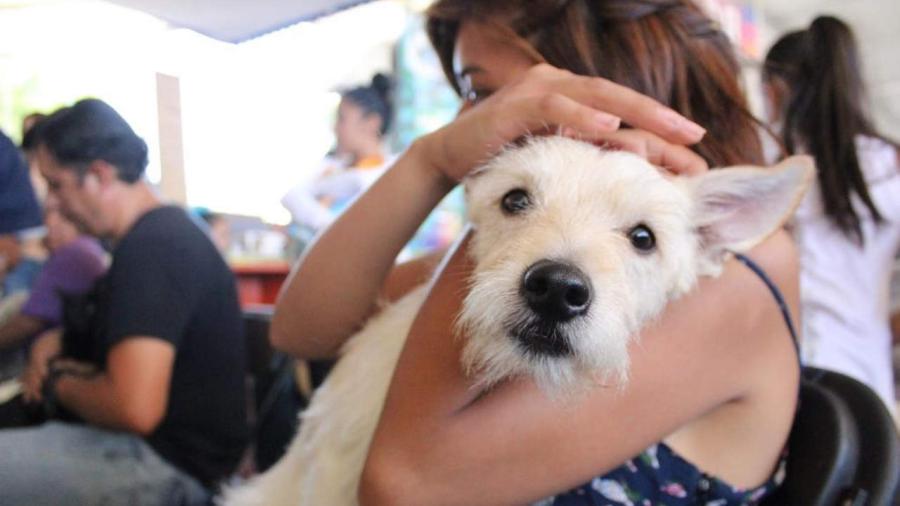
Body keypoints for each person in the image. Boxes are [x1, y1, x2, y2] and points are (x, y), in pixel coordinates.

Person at [272, 1, 801, 504]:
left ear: (610, 90)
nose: (475, 124)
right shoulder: (516, 240)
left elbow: (401, 488)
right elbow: (302, 330)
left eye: (489, 95)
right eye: (473, 95)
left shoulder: (738, 268)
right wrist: (431, 160)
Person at [0, 98, 248, 505]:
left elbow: (134, 408)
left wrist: (57, 383)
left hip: (167, 467)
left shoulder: (155, 247)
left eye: (57, 185)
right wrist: (59, 341)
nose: (52, 205)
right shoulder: (162, 235)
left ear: (99, 175)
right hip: (169, 455)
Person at [763, 16, 900, 414]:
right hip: (866, 375)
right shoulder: (890, 165)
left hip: (782, 370)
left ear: (778, 91)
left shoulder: (772, 167)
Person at [0, 196, 106, 381]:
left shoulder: (75, 253)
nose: (50, 223)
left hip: (53, 370)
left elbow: (29, 322)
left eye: (61, 215)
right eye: (47, 214)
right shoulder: (84, 250)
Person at [281, 73, 395, 233]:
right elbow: (290, 195)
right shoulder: (335, 165)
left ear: (372, 122)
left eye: (342, 119)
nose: (335, 128)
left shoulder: (389, 173)